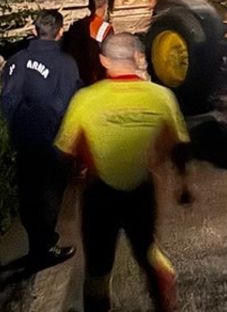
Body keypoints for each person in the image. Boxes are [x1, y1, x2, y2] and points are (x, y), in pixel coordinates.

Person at [55, 33, 192, 312]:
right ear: (137, 58)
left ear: (104, 61)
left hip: (98, 194)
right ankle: (165, 297)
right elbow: (177, 145)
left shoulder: (85, 99)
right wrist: (184, 183)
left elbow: (65, 151)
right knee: (148, 249)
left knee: (98, 267)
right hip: (142, 189)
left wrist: (75, 179)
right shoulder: (162, 97)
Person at [0, 10, 81, 267]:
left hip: (24, 140)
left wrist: (16, 128)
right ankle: (43, 248)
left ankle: (37, 241)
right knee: (48, 196)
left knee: (28, 192)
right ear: (60, 30)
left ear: (36, 30)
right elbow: (69, 104)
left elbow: (7, 99)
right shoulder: (65, 63)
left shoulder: (15, 60)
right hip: (52, 142)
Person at [64, 0, 113, 85]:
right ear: (105, 7)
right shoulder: (105, 29)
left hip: (77, 72)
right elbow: (109, 54)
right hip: (96, 75)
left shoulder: (77, 25)